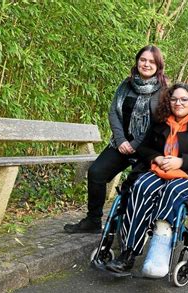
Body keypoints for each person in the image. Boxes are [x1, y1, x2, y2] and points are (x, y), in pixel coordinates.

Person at [105, 83, 188, 277]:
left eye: (184, 99)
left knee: (171, 191)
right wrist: (156, 158)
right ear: (168, 101)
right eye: (174, 99)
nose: (178, 103)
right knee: (140, 187)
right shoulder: (160, 120)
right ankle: (128, 253)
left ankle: (158, 253)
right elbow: (143, 148)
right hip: (158, 170)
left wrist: (181, 162)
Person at [64, 45, 168, 233]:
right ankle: (93, 221)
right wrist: (121, 140)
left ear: (158, 65)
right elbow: (114, 111)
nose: (146, 64)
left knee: (135, 186)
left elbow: (158, 123)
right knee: (96, 172)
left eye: (151, 61)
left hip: (147, 149)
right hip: (120, 145)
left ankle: (128, 227)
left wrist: (136, 144)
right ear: (137, 61)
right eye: (143, 60)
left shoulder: (163, 92)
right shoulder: (126, 84)